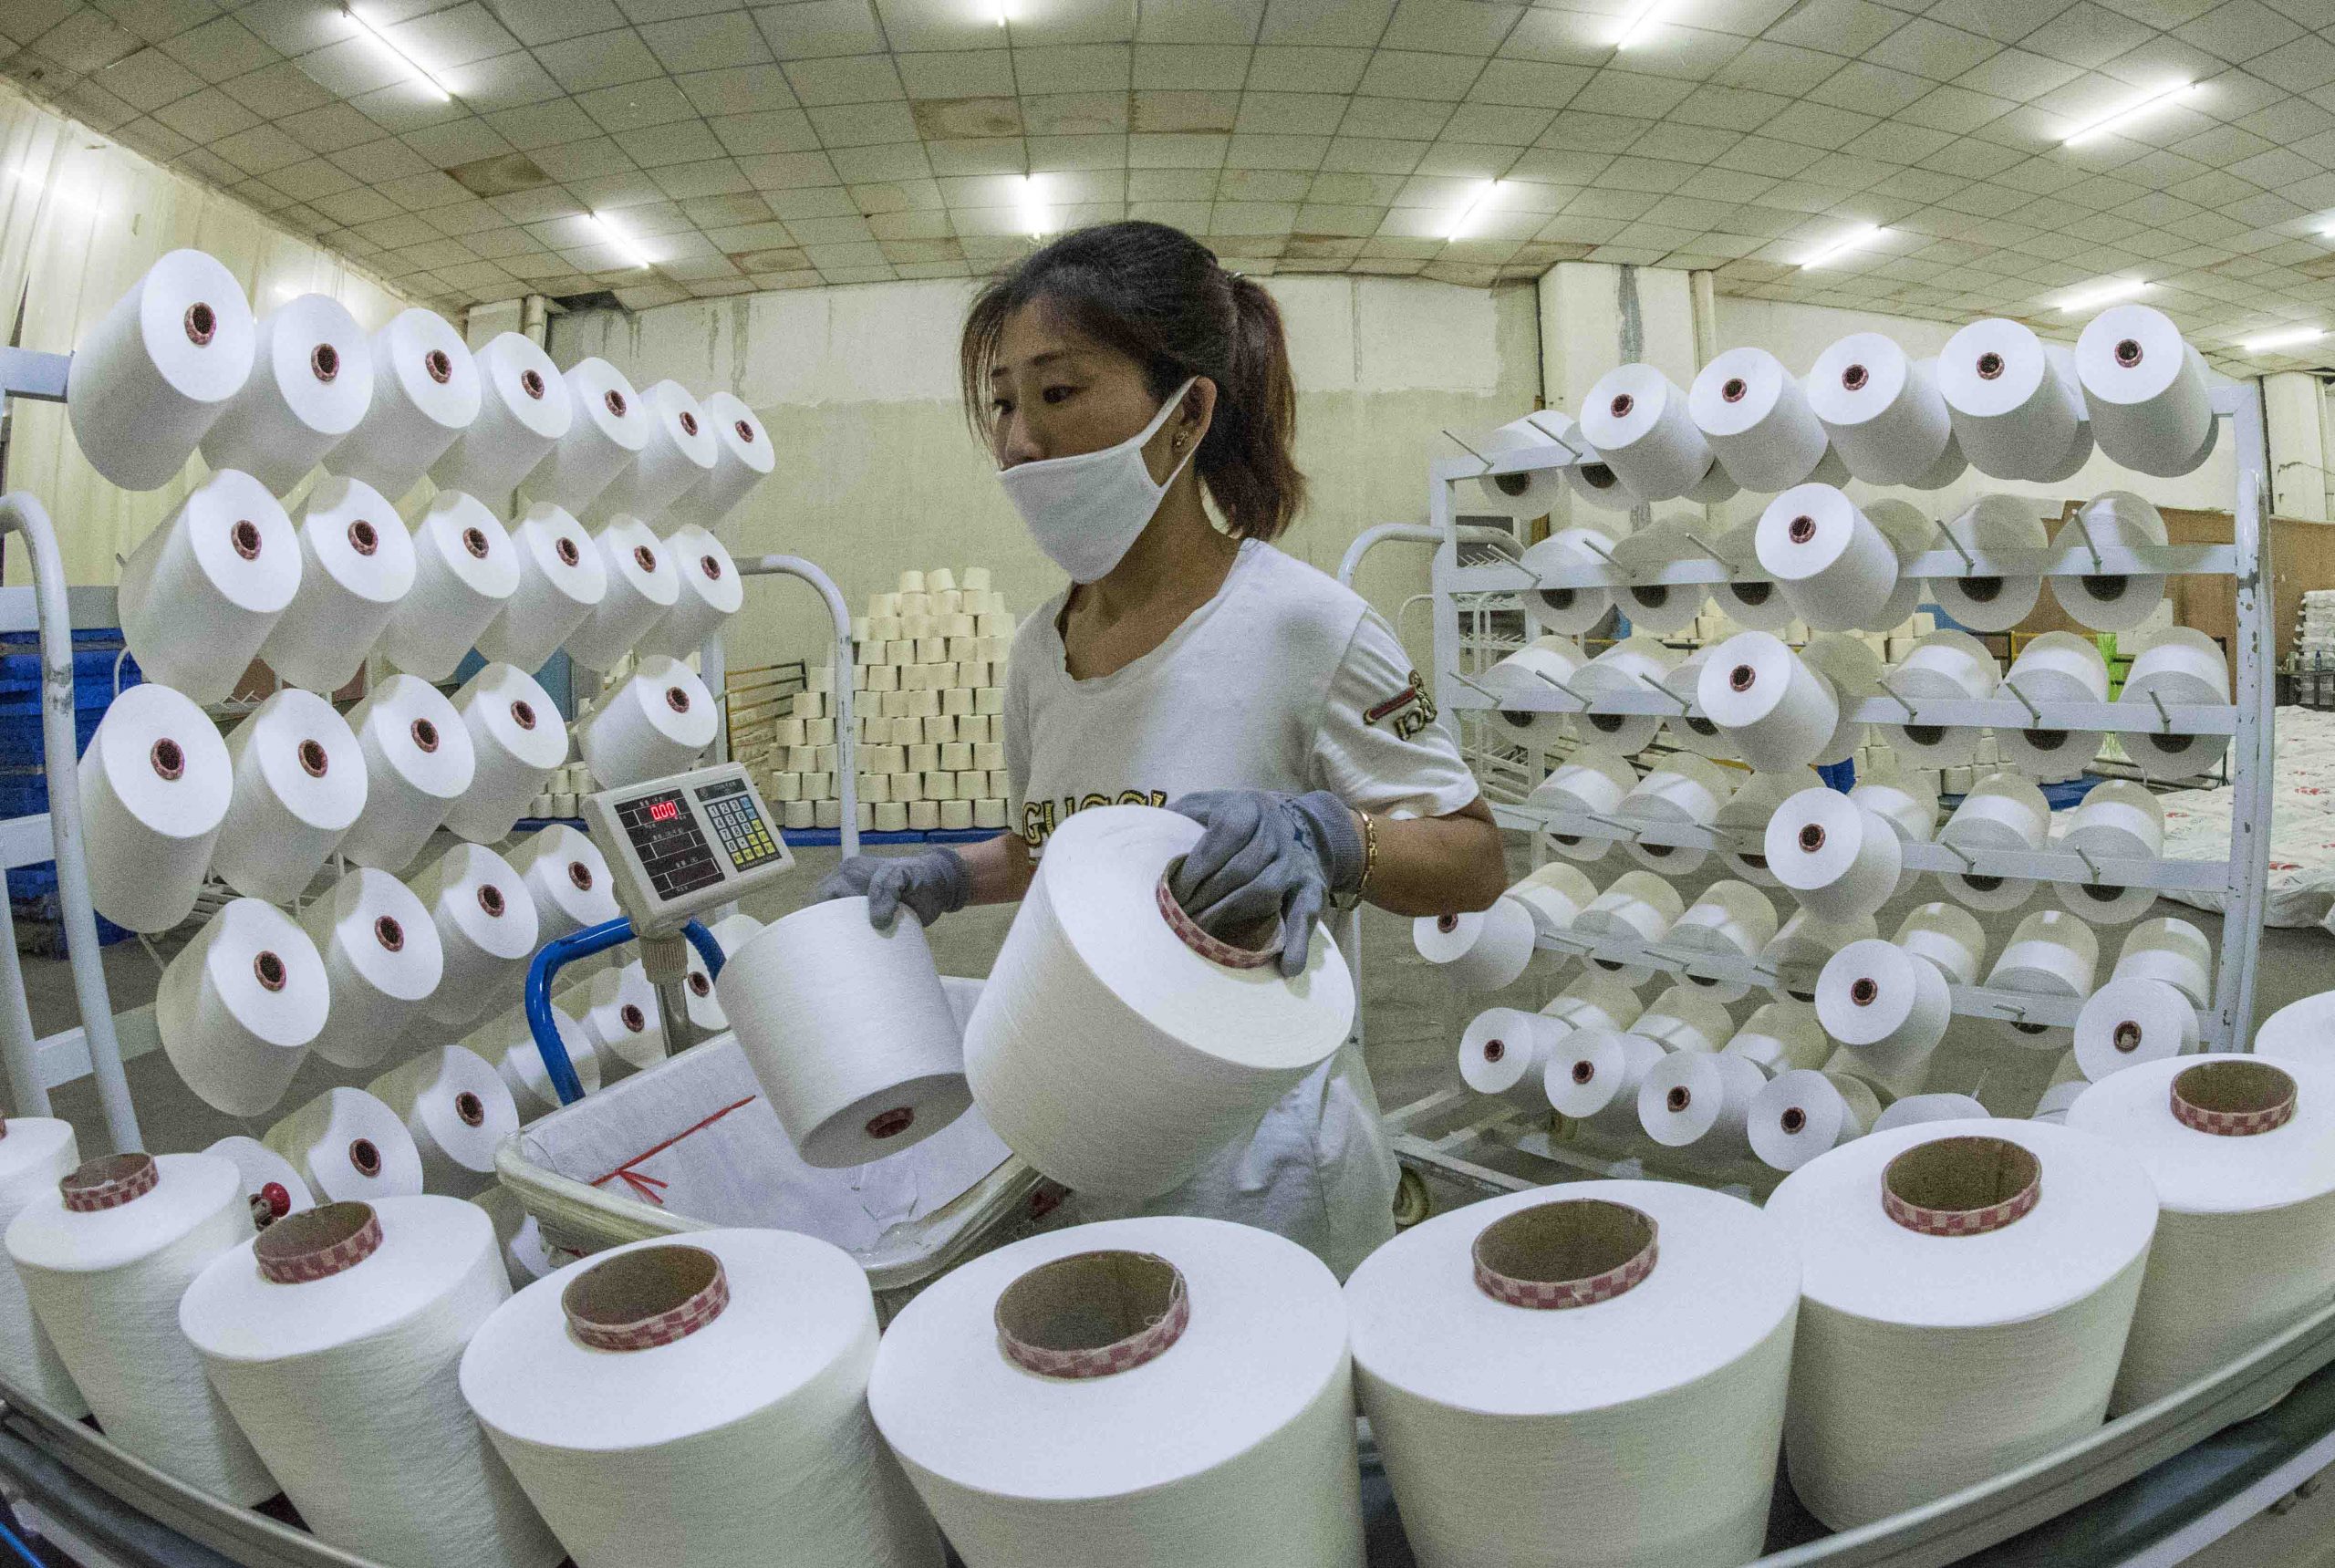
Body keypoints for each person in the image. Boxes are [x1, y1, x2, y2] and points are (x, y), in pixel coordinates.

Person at [819, 221, 1505, 1275]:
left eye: (1057, 394)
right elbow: (1065, 849)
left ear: (1184, 416)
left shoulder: (1300, 625)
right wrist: (946, 877)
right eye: (1001, 402)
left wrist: (1328, 838)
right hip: (1081, 1137)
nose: (1015, 442)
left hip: (1261, 1169)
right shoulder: (1042, 648)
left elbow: (1473, 855)